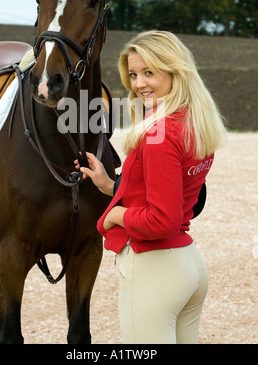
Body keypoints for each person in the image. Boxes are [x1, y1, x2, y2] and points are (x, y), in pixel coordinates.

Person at [75, 30, 227, 344]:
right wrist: (109, 184)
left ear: (175, 72)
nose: (139, 83)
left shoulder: (160, 134)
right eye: (133, 74)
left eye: (149, 72)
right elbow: (173, 192)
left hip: (154, 268)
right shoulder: (193, 122)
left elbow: (161, 219)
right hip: (187, 264)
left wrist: (114, 216)